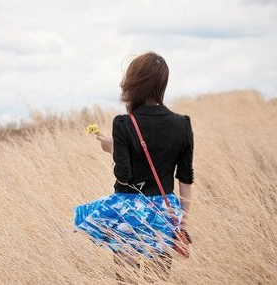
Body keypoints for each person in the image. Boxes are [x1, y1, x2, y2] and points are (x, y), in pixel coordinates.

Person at [74, 52, 194, 281]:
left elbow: (124, 176)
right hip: (164, 212)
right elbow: (185, 178)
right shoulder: (182, 124)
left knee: (127, 279)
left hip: (129, 213)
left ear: (132, 83)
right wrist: (181, 222)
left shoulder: (124, 123)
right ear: (162, 84)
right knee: (157, 279)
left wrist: (114, 149)